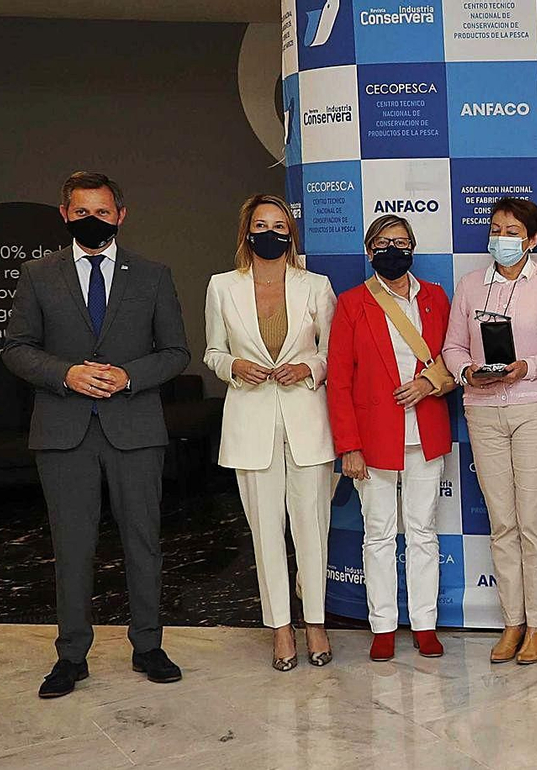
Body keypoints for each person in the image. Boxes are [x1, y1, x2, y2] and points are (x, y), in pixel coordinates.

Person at [5, 172, 189, 698]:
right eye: (82, 212)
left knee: (143, 542)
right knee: (71, 546)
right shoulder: (38, 274)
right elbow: (17, 347)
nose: (93, 221)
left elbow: (176, 352)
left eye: (103, 212)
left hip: (134, 428)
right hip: (64, 432)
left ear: (121, 215)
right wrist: (66, 374)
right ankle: (70, 657)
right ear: (64, 214)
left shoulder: (152, 275)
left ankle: (148, 646)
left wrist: (130, 376)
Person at [201, 194, 338, 671]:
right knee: (265, 533)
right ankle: (281, 627)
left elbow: (332, 353)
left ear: (291, 234)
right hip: (250, 423)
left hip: (307, 421)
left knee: (312, 532)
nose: (271, 233)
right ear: (247, 232)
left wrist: (308, 368)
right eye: (262, 224)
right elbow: (213, 353)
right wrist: (234, 365)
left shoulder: (316, 285)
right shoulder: (222, 286)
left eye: (280, 225)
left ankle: (315, 622)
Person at [442, 197, 537, 666]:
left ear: (532, 239)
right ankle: (512, 621)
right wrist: (467, 372)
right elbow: (453, 346)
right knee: (502, 523)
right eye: (496, 229)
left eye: (513, 231)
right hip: (482, 409)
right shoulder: (471, 285)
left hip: (535, 407)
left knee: (534, 522)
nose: (503, 238)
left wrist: (527, 367)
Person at [328, 214, 456, 662]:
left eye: (401, 242)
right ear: (369, 251)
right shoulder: (351, 303)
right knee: (378, 534)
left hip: (427, 430)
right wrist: (349, 446)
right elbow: (339, 381)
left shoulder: (437, 299)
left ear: (413, 248)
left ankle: (424, 625)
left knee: (423, 532)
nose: (393, 249)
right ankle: (382, 625)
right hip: (372, 439)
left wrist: (429, 384)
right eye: (383, 243)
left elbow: (456, 360)